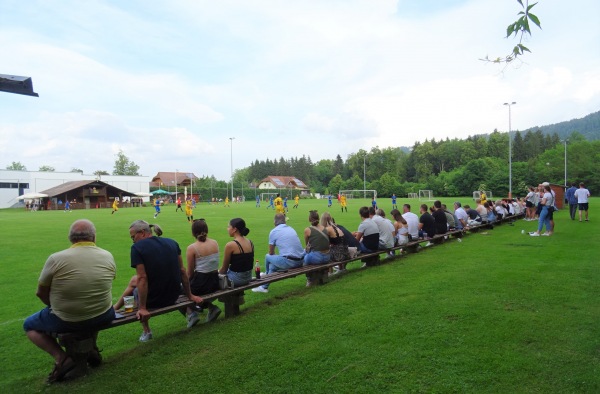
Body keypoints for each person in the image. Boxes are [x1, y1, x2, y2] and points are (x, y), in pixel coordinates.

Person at [23, 220, 116, 383]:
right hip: (104, 314)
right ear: (93, 237)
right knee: (92, 307)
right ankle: (92, 348)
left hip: (69, 319)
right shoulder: (107, 255)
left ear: (70, 239)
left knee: (29, 325)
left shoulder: (56, 259)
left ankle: (62, 359)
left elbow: (41, 292)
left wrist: (55, 307)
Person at [123, 220, 202, 342]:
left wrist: (143, 308)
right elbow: (182, 271)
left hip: (155, 301)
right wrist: (190, 295)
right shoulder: (172, 243)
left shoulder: (137, 248)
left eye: (133, 237)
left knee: (135, 290)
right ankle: (190, 312)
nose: (133, 240)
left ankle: (146, 331)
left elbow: (142, 278)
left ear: (143, 233)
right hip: (173, 296)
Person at [252, 213, 304, 293]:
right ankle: (264, 287)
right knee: (272, 267)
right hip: (300, 261)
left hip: (290, 262)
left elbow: (271, 252)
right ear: (285, 221)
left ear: (274, 222)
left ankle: (266, 273)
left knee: (267, 256)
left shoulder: (274, 231)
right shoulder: (291, 228)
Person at [185, 219, 221, 327]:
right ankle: (211, 307)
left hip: (202, 284)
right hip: (215, 283)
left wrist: (183, 283)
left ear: (193, 232)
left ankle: (191, 314)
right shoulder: (215, 242)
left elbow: (190, 274)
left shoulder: (192, 248)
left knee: (179, 290)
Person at [219, 218, 254, 287]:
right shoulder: (250, 242)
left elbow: (224, 269)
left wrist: (216, 274)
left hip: (236, 279)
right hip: (248, 277)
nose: (227, 229)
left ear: (234, 229)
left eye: (229, 227)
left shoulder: (230, 245)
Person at [303, 210, 332, 286]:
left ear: (309, 219)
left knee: (304, 258)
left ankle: (310, 280)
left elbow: (307, 246)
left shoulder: (307, 230)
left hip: (317, 257)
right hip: (327, 257)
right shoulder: (325, 228)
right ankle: (324, 276)